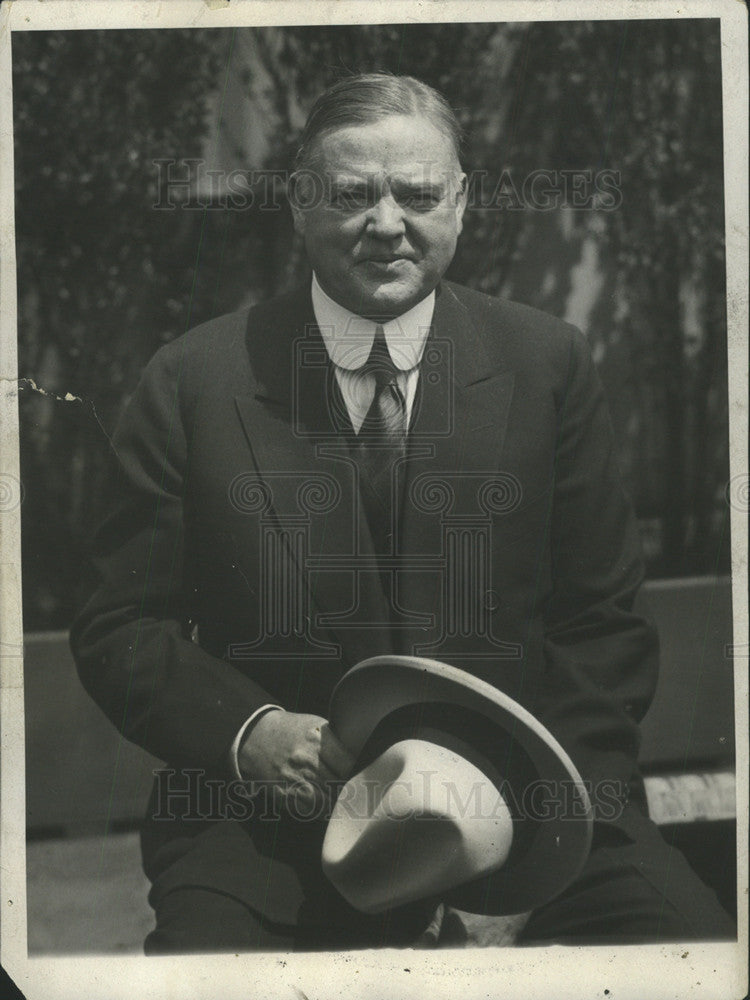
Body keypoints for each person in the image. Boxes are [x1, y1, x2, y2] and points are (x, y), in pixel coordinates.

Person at [70, 72, 734, 952]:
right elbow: (121, 624)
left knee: (689, 951)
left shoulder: (547, 366)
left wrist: (526, 823)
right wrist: (252, 735)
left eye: (418, 195)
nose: (387, 224)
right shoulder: (195, 380)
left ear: (460, 204)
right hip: (269, 835)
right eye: (353, 195)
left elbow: (603, 625)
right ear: (301, 206)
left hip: (532, 811)